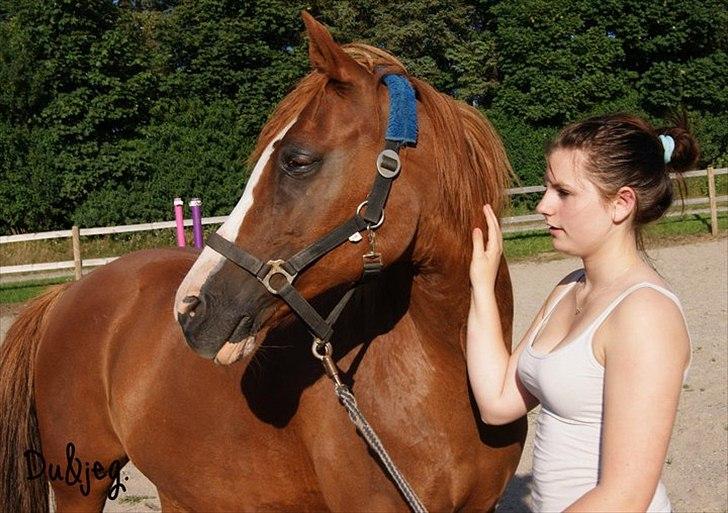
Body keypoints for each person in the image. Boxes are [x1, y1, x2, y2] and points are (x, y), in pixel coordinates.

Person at [467, 113, 699, 512]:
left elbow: (625, 497)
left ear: (621, 204)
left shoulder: (645, 314)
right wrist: (482, 286)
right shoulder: (569, 287)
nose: (543, 205)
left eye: (564, 192)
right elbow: (498, 401)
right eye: (546, 188)